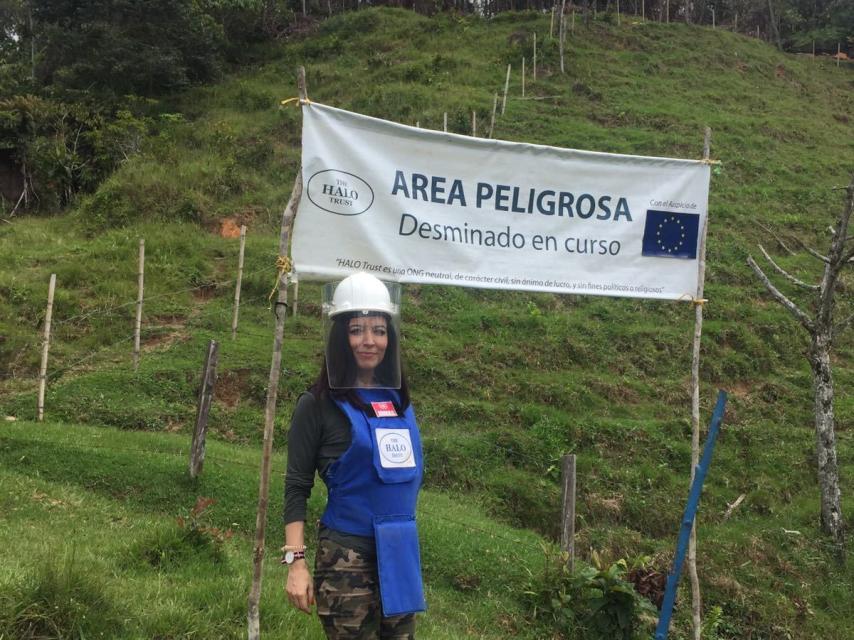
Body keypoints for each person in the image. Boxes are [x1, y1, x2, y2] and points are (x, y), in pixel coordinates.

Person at [283, 272, 426, 640]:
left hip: (400, 555)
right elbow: (297, 487)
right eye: (356, 330)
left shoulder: (399, 402)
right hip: (347, 559)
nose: (369, 341)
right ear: (339, 337)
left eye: (379, 330)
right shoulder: (316, 405)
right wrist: (296, 563)